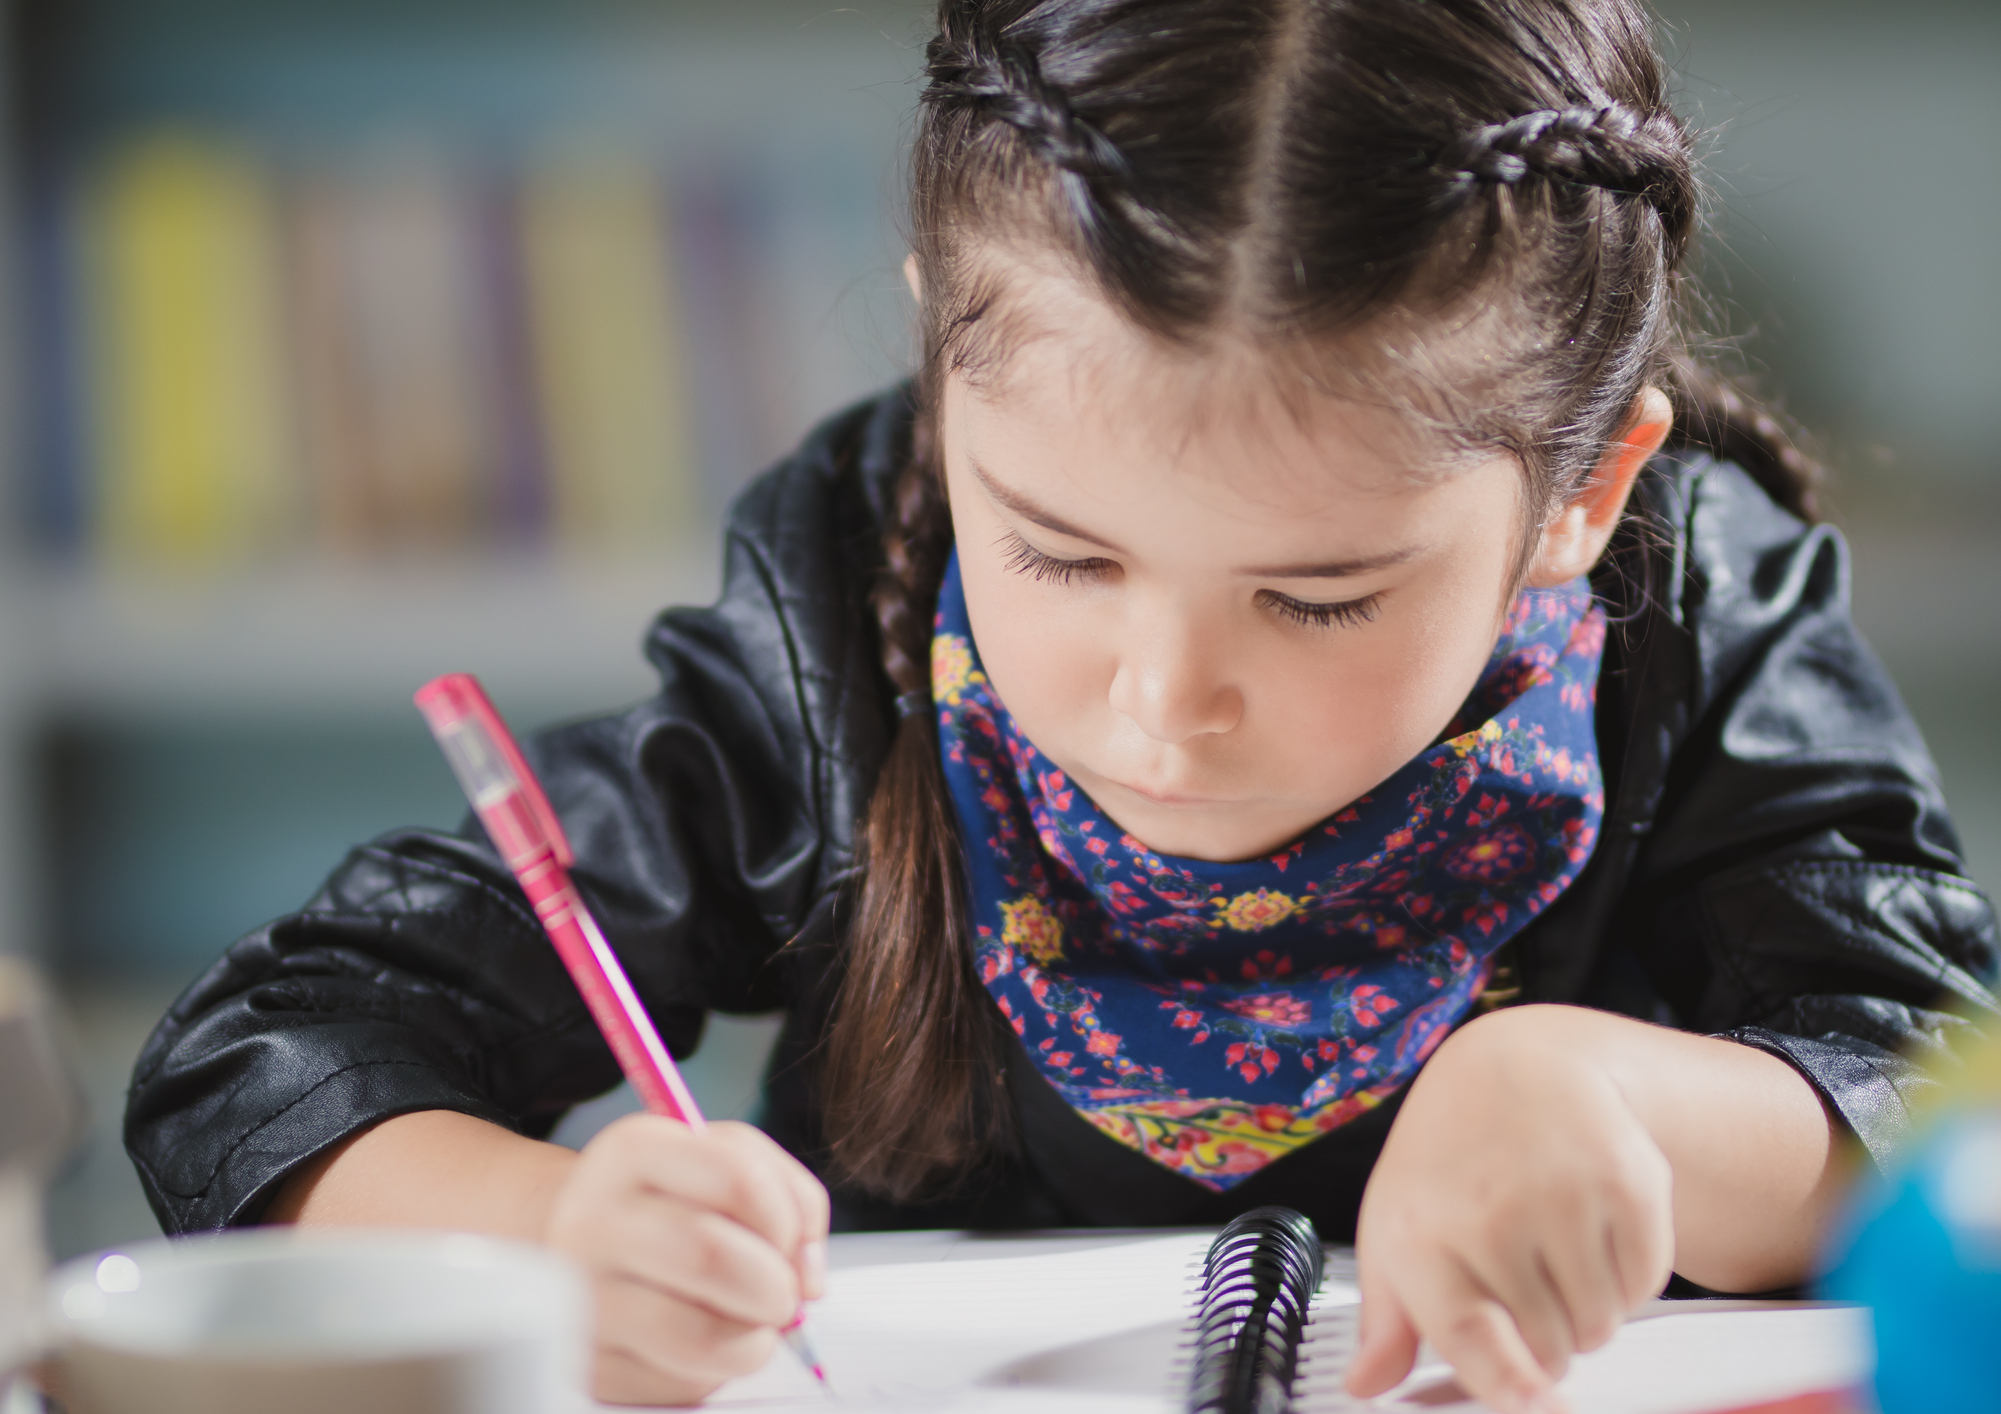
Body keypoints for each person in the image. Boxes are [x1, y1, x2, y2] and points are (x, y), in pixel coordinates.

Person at [125, 0, 2000, 1408]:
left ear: (1579, 497)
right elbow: (266, 1058)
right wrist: (559, 1239)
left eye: (1320, 593)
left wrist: (1622, 1102)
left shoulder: (1690, 607)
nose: (1164, 701)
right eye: (1060, 554)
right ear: (949, 381)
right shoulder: (830, 629)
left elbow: (1947, 1123)